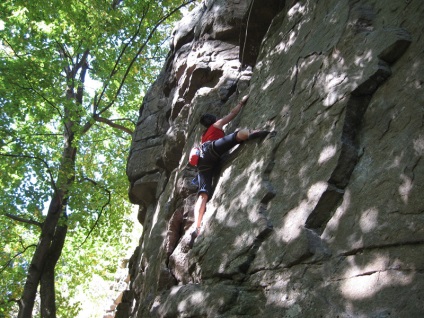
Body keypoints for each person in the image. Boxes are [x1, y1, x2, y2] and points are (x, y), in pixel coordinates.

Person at [191, 95, 270, 244]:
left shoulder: (203, 136)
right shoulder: (216, 125)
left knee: (202, 196)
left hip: (202, 163)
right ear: (212, 120)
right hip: (212, 150)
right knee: (235, 136)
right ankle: (250, 133)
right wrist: (241, 102)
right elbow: (232, 114)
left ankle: (197, 226)